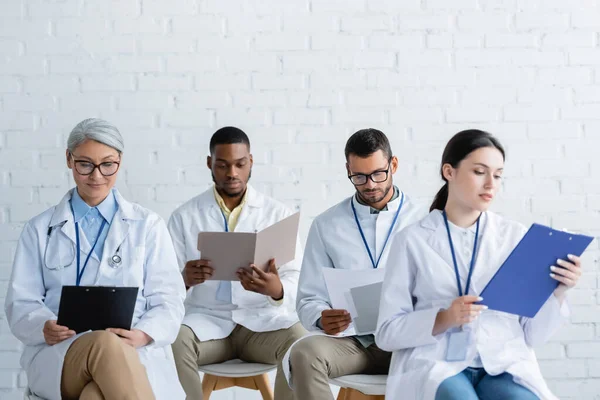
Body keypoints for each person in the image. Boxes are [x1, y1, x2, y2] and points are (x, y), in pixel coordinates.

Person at [376, 129, 582, 400]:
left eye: (497, 175)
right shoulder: (411, 241)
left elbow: (532, 335)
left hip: (501, 361)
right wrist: (443, 318)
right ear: (449, 172)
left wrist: (557, 292)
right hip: (437, 361)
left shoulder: (514, 237)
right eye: (479, 172)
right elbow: (387, 332)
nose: (491, 184)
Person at [5, 118, 186, 400]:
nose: (96, 176)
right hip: (63, 355)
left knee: (94, 395)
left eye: (107, 165)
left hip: (134, 351)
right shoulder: (40, 229)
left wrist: (143, 334)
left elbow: (169, 299)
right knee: (103, 343)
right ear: (69, 159)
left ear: (120, 161)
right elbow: (21, 302)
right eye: (85, 164)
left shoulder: (147, 225)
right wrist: (44, 326)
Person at [168, 126, 306, 400]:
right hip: (208, 325)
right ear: (210, 163)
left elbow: (298, 278)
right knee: (174, 338)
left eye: (240, 164)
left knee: (301, 341)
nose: (232, 173)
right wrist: (183, 279)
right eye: (222, 165)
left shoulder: (277, 214)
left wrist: (276, 289)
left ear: (250, 162)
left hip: (260, 326)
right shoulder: (184, 217)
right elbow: (161, 283)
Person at [290, 128, 424, 399]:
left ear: (393, 165)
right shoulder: (326, 225)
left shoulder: (425, 219)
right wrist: (320, 317)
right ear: (348, 170)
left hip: (407, 343)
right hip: (354, 344)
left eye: (378, 173)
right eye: (359, 176)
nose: (370, 184)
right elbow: (308, 297)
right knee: (304, 353)